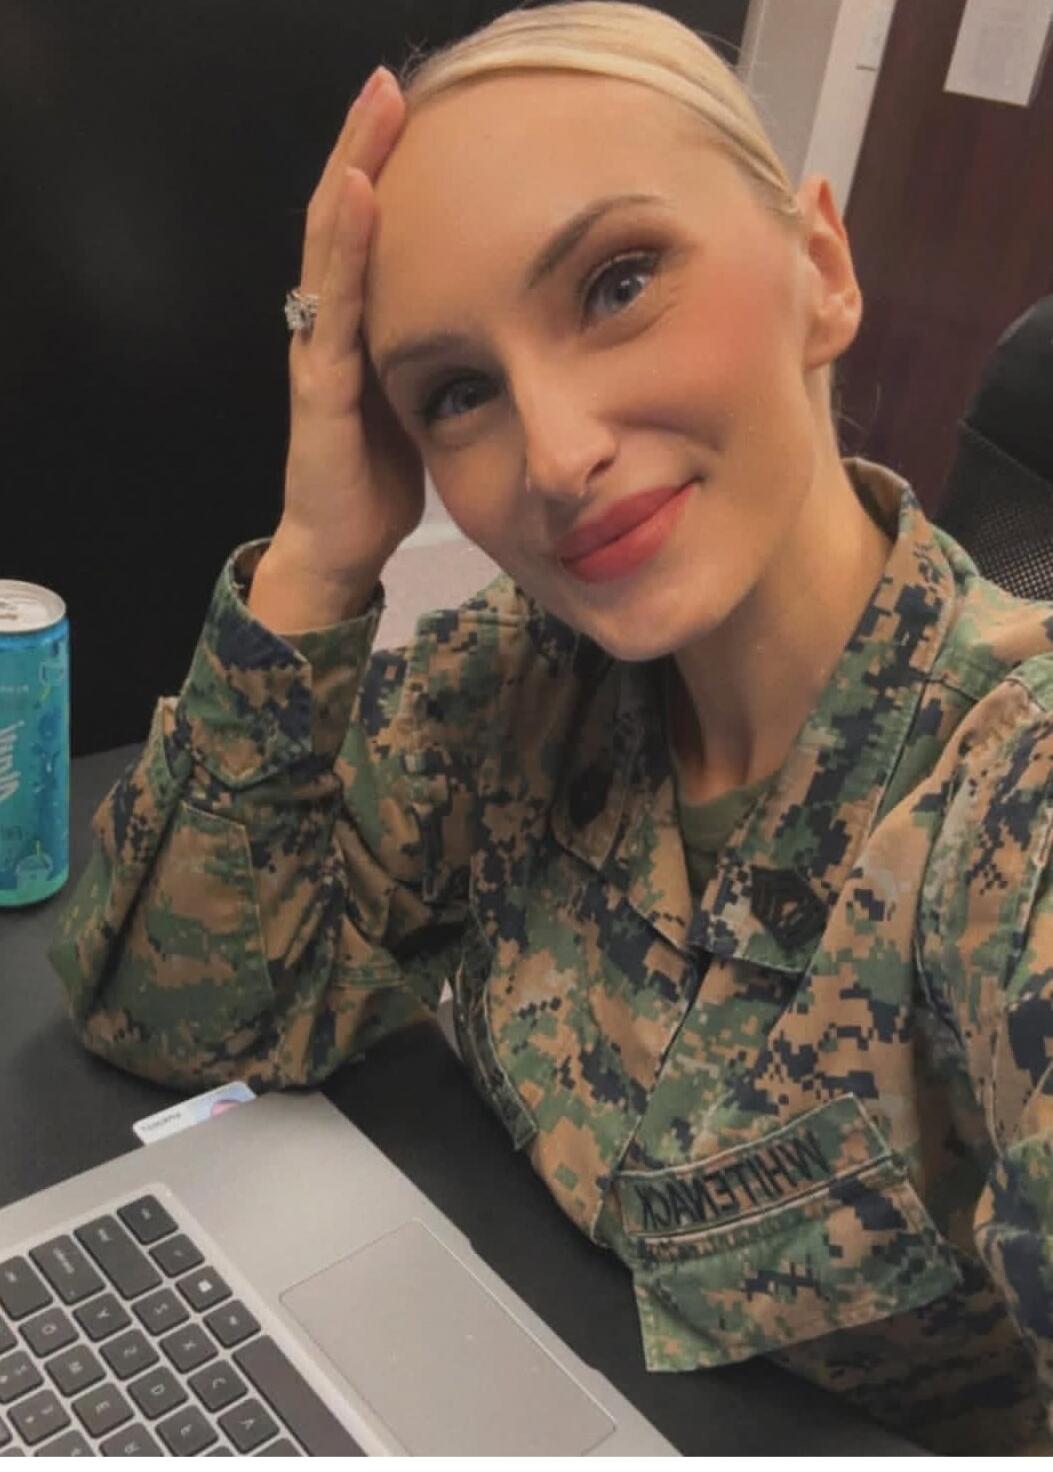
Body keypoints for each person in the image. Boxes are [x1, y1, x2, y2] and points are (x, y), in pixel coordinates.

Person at [47, 1, 1053, 1454]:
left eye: (616, 281)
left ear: (819, 272)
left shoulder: (1008, 798)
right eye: (457, 394)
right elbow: (174, 1010)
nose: (559, 454)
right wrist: (321, 549)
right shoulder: (518, 684)